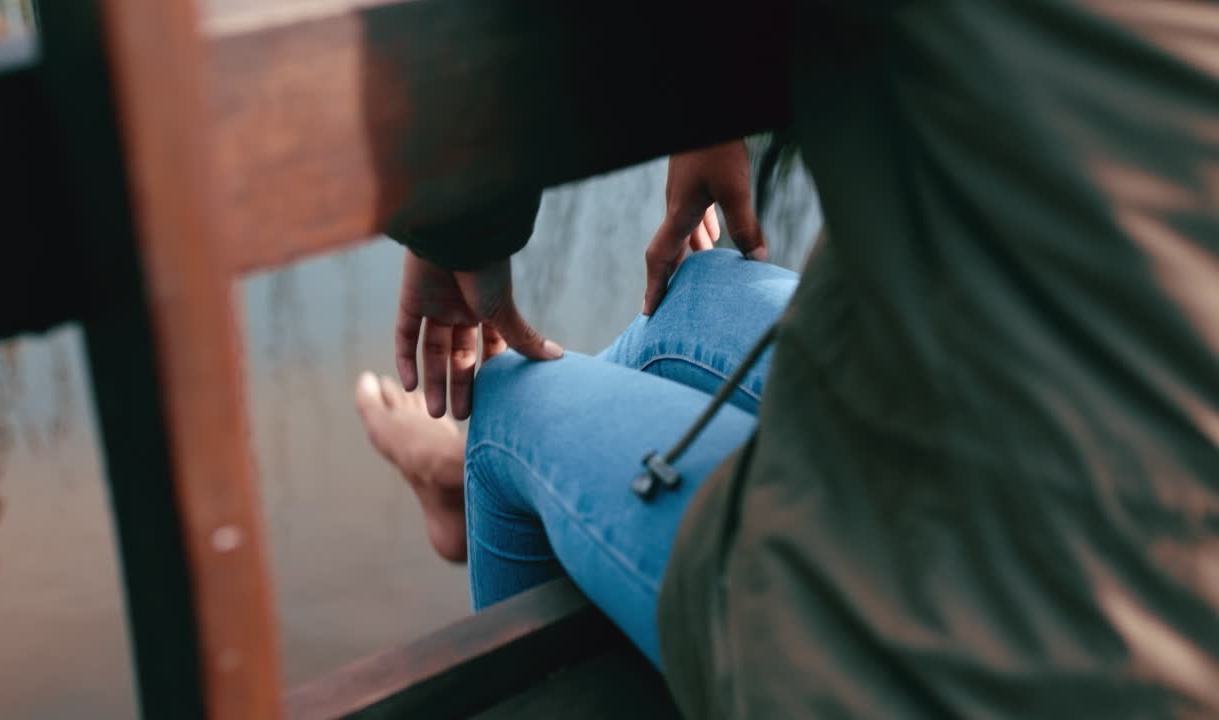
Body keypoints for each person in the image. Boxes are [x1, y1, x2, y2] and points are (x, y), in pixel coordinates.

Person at [365, 3, 1219, 718]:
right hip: (1110, 465)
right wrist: (713, 112)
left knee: (509, 405)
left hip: (992, 646)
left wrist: (458, 235)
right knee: (703, 291)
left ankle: (484, 480)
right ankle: (509, 488)